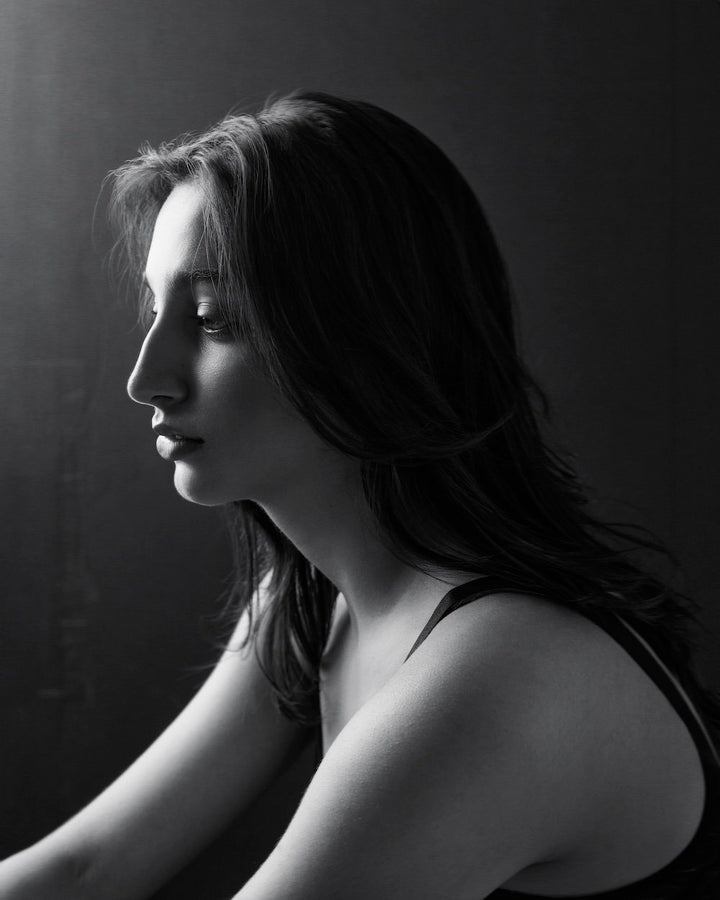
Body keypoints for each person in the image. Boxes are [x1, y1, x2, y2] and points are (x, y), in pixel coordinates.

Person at [1, 90, 719, 899]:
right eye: (156, 305)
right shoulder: (314, 598)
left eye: (211, 317)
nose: (146, 379)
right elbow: (87, 869)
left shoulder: (503, 673)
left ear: (364, 339)